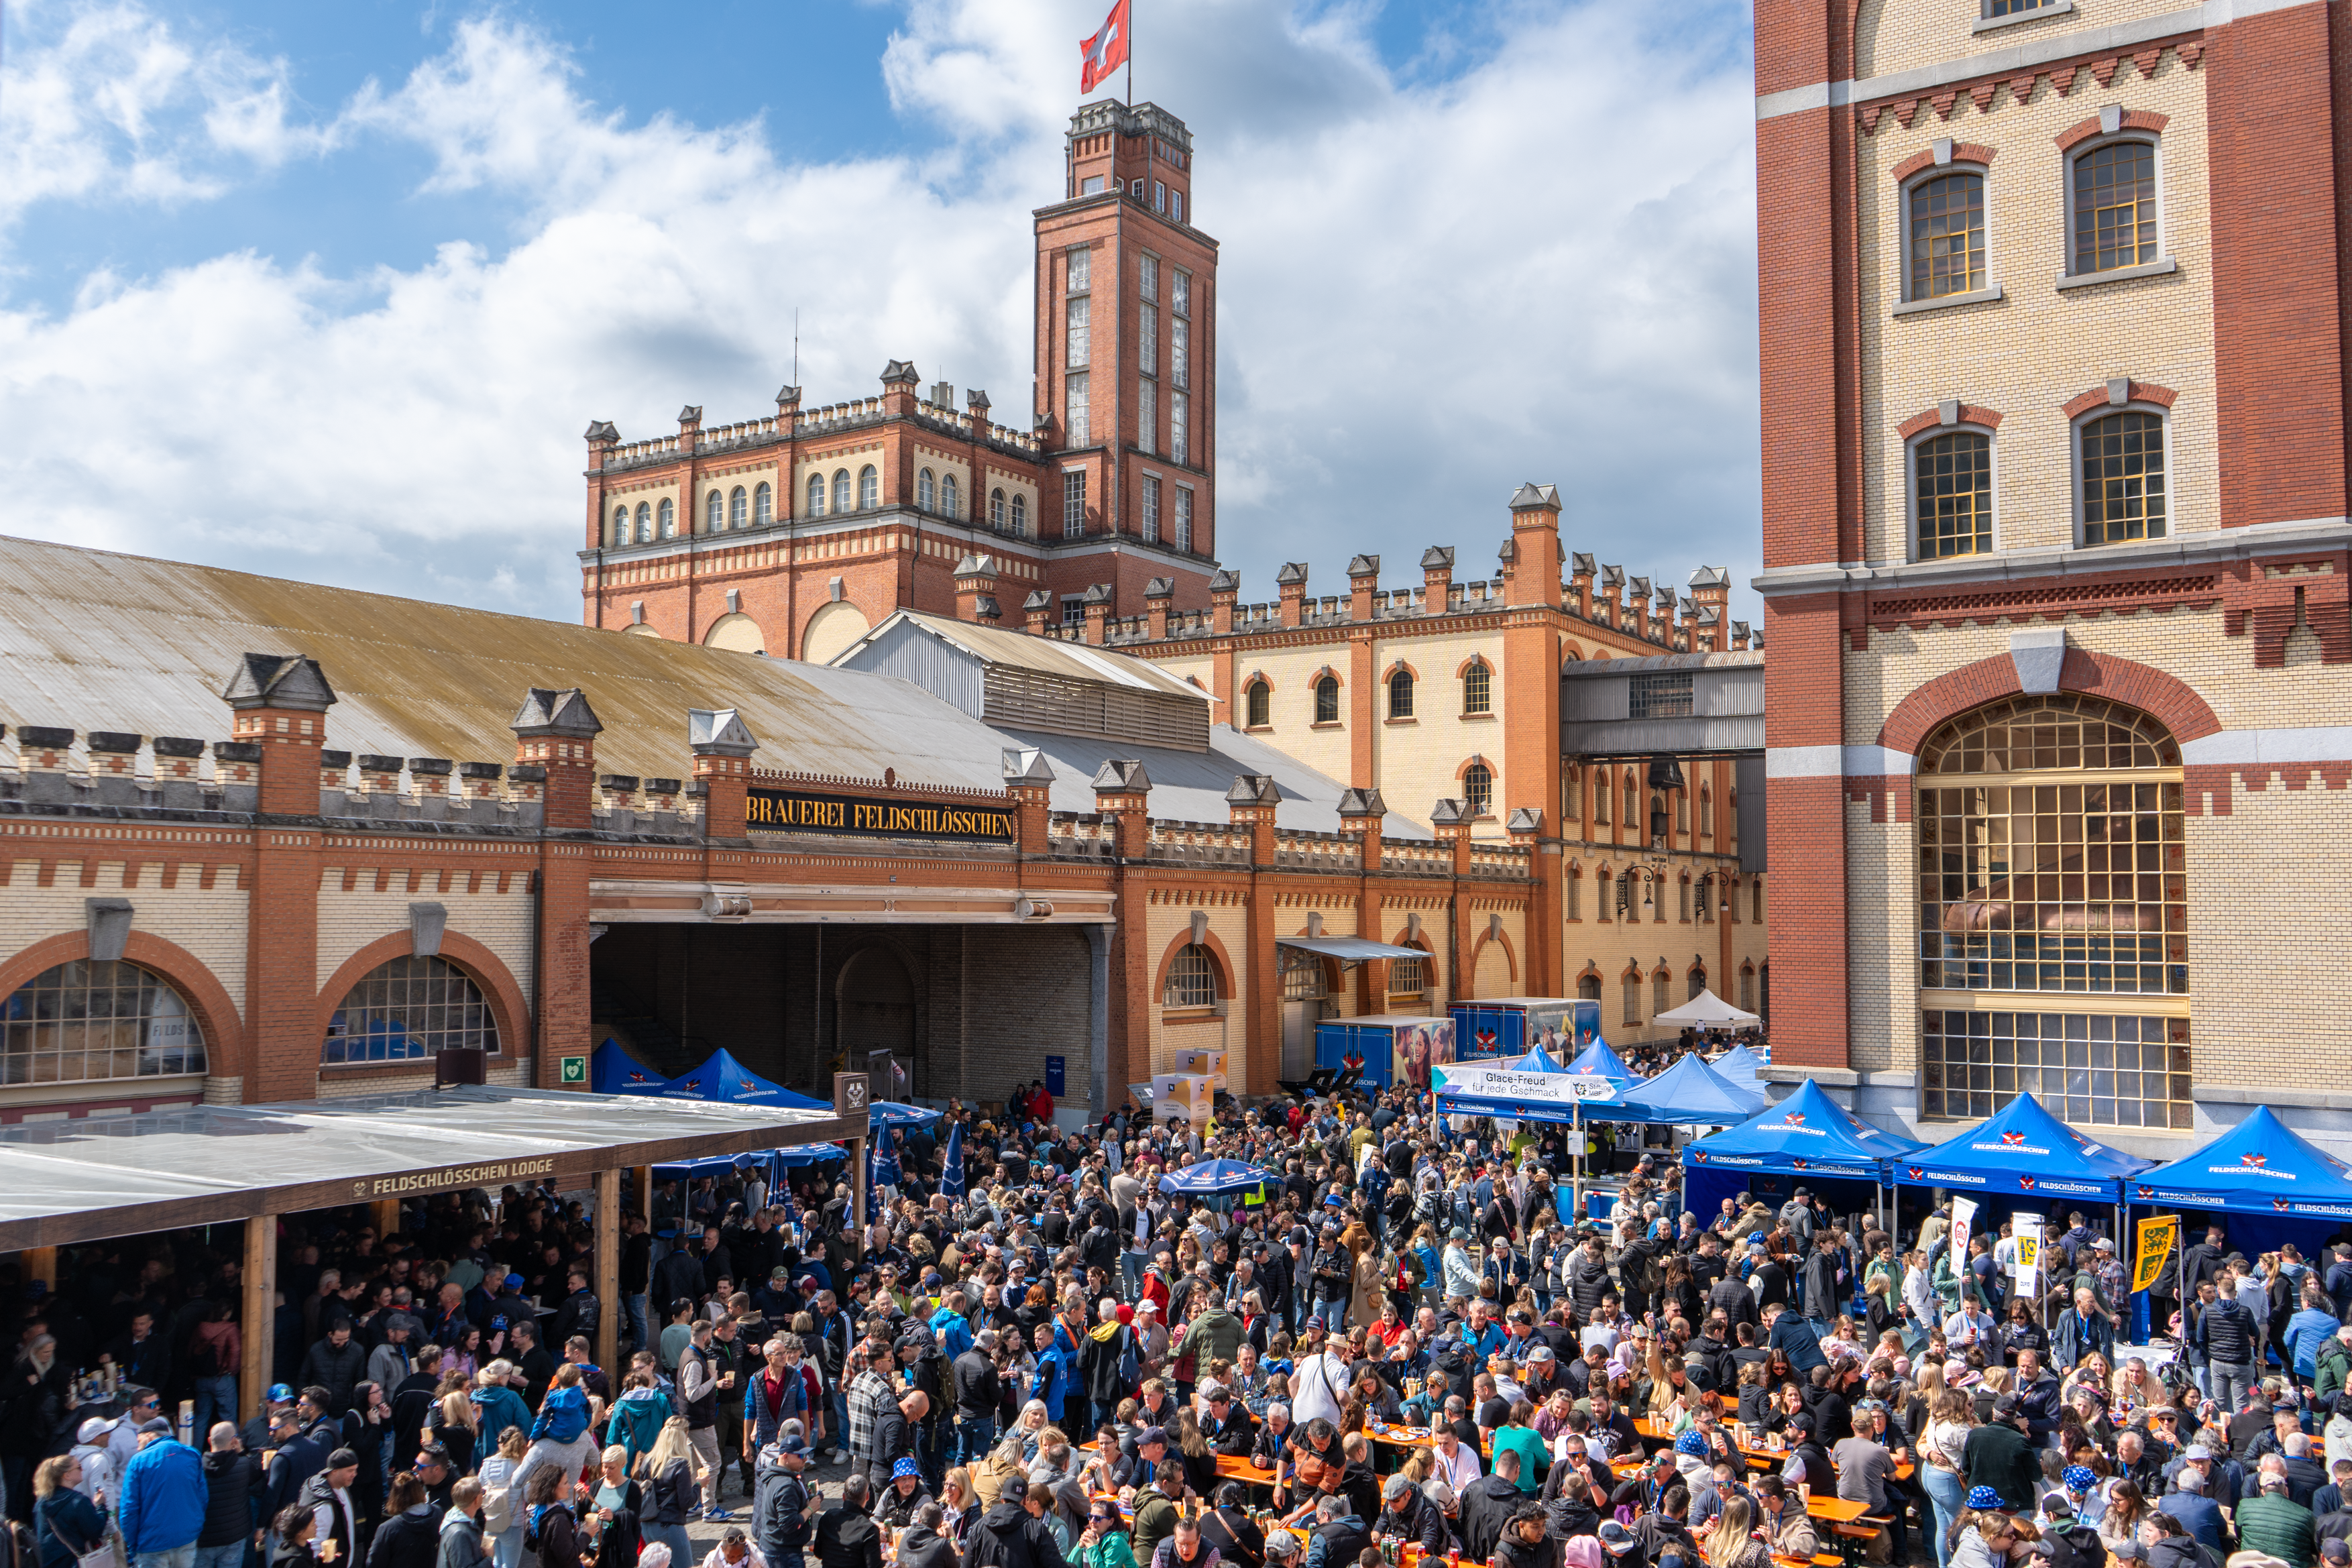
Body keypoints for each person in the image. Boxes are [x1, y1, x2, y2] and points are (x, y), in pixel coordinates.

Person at [121, 1426, 210, 1568]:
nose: (138, 1447)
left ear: (149, 1436)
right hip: (186, 1538)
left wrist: (133, 1548)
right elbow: (203, 1497)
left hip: (152, 1544)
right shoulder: (192, 1454)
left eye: (139, 1440)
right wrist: (195, 1527)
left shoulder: (139, 1461)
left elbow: (129, 1509)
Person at [196, 1423, 261, 1568]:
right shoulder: (244, 1465)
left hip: (204, 1537)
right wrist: (241, 1452)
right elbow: (257, 1478)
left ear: (209, 1440)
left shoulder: (196, 1468)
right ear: (234, 1441)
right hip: (234, 1536)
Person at [34, 1455, 109, 1568]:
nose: (82, 1470)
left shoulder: (40, 1503)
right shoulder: (78, 1502)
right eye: (79, 1467)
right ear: (67, 1475)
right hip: (75, 1562)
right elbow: (95, 1531)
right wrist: (100, 1506)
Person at [812, 1474, 882, 1568]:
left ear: (844, 1497)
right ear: (867, 1496)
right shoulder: (869, 1530)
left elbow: (818, 1553)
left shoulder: (828, 1517)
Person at [438, 1479, 492, 1568]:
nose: (484, 1495)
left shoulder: (466, 1522)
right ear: (476, 1499)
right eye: (482, 1492)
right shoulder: (459, 1534)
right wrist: (489, 1559)